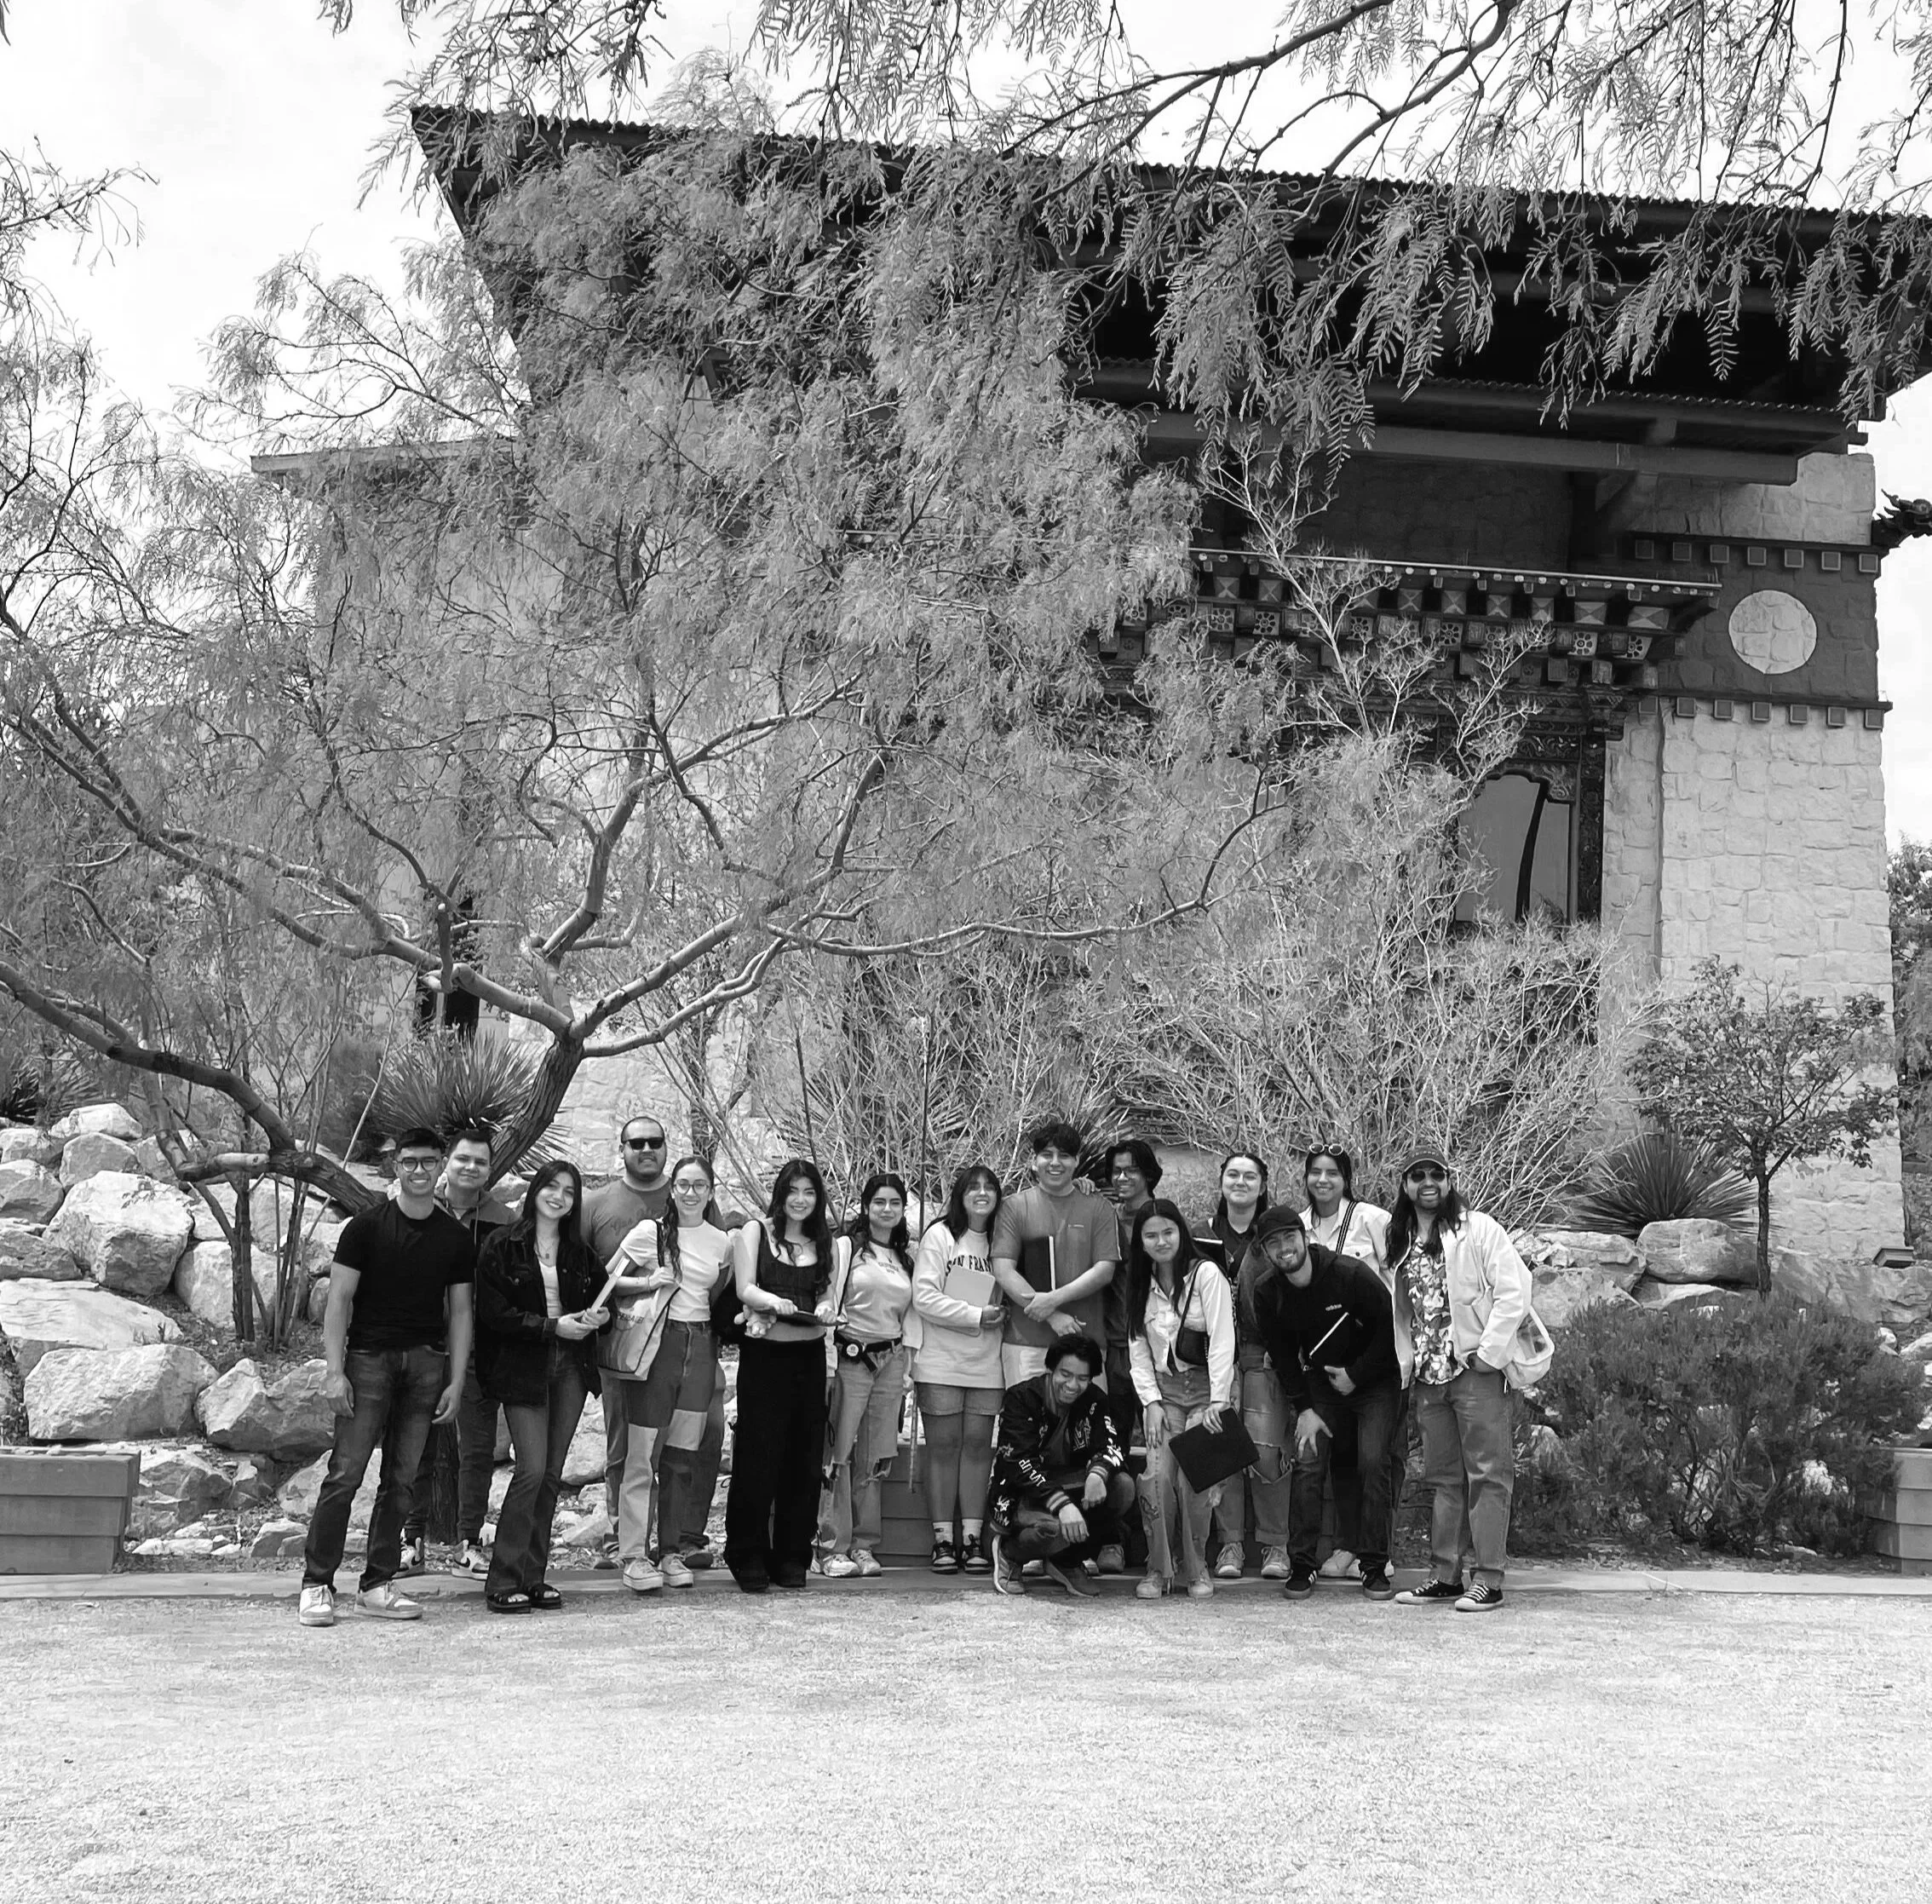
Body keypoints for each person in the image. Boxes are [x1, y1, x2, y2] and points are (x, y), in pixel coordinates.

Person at [298, 1126, 475, 1629]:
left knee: (402, 1480)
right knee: (345, 1474)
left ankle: (377, 1583)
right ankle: (316, 1583)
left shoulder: (454, 1237)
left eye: (428, 1162)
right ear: (396, 1166)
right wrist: (335, 1371)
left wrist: (456, 1379)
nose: (419, 1171)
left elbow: (461, 1311)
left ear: (441, 1166)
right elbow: (339, 1301)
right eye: (409, 1162)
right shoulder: (365, 1228)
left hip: (426, 1365)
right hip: (368, 1361)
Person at [1387, 1148, 1532, 1614]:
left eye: (1436, 1174)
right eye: (1417, 1175)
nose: (1428, 1182)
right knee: (1444, 1479)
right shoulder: (1400, 1239)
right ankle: (1445, 1575)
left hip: (1474, 1373)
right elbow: (1401, 1312)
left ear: (1449, 1181)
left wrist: (1488, 1355)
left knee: (1488, 1475)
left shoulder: (1479, 1229)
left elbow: (1514, 1291)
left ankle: (1488, 1578)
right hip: (1429, 1378)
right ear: (1405, 1185)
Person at [1239, 1205, 1401, 1602]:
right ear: (1265, 1251)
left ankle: (1374, 1564)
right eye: (1273, 1243)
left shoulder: (1349, 1274)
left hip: (1375, 1380)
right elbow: (1282, 1356)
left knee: (1373, 1461)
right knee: (1309, 1460)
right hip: (1321, 1384)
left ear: (1304, 1237)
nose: (1284, 1248)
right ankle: (1303, 1563)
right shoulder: (1267, 1291)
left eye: (1289, 1238)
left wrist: (1355, 1375)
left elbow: (1389, 1332)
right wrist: (1306, 1409)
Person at [473, 1161, 610, 1613]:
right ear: (535, 1191)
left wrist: (597, 1317)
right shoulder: (503, 1244)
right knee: (531, 1470)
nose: (559, 1197)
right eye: (552, 1187)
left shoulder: (579, 1252)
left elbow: (600, 1302)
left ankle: (533, 1576)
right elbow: (494, 1314)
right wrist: (552, 1327)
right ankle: (502, 1578)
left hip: (571, 1367)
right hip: (523, 1367)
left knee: (551, 1474)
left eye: (569, 1192)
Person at [601, 1154, 733, 1594]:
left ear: (710, 1192)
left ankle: (671, 1551)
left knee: (681, 1457)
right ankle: (633, 1554)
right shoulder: (650, 1233)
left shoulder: (722, 1243)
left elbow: (717, 1297)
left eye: (700, 1186)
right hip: (659, 1345)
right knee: (641, 1455)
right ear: (672, 1190)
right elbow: (607, 1281)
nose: (691, 1193)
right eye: (683, 1185)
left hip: (701, 1348)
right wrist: (647, 1283)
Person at [400, 1122, 516, 1578]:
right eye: (463, 1158)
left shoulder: (505, 1221)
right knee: (417, 1442)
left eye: (480, 1162)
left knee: (478, 1448)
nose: (471, 1167)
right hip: (423, 1343)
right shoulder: (418, 1207)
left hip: (481, 1349)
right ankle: (411, 1541)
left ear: (490, 1169)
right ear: (447, 1161)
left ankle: (469, 1543)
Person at [724, 1159, 837, 1593]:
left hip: (808, 1355)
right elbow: (745, 1288)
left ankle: (792, 1554)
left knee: (804, 1457)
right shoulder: (755, 1232)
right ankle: (746, 1553)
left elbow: (827, 1295)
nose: (800, 1200)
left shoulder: (825, 1242)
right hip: (764, 1356)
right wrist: (773, 1301)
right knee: (758, 1454)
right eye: (793, 1191)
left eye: (809, 1192)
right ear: (780, 1194)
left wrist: (824, 1308)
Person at [1127, 1199, 1238, 1600]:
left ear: (1181, 1233)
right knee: (1156, 1477)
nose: (1161, 1242)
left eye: (1168, 1232)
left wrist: (1220, 1400)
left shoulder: (1206, 1274)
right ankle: (1158, 1568)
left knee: (1194, 1478)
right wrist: (1150, 1403)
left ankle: (1196, 1566)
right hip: (1165, 1394)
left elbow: (1223, 1339)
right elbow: (1138, 1349)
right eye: (1151, 1235)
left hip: (1208, 1392)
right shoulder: (1139, 1283)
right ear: (1140, 1242)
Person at [1297, 1145, 1397, 1582]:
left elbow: (1397, 1282)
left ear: (1346, 1179)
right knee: (1339, 1459)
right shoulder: (1298, 1227)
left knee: (1376, 1461)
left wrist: (1373, 1364)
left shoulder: (1371, 1220)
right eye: (1315, 1172)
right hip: (1325, 1367)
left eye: (1333, 1173)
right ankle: (1345, 1545)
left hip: (1375, 1361)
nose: (1323, 1180)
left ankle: (1376, 1552)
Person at [581, 1116, 676, 1563]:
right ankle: (621, 1537)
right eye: (636, 1143)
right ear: (622, 1149)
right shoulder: (597, 1204)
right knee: (622, 1440)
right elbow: (588, 1277)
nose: (646, 1149)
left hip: (681, 1341)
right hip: (621, 1343)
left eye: (654, 1141)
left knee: (681, 1443)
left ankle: (677, 1540)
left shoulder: (687, 1196)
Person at [817, 1172, 917, 1579]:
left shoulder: (905, 1257)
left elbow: (910, 1315)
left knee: (876, 1456)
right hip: (851, 1355)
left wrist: (908, 1367)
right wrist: (828, 1363)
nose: (887, 1209)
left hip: (890, 1360)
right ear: (866, 1206)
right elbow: (828, 1301)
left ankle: (863, 1544)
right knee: (839, 1452)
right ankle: (831, 1545)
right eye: (879, 1202)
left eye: (895, 1203)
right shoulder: (847, 1248)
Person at [1199, 1149, 1291, 1582]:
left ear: (1262, 1185)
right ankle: (1230, 1543)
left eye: (1249, 1176)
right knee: (1223, 1450)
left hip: (1261, 1356)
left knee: (1266, 1451)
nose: (1240, 1182)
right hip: (1210, 1359)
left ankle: (1276, 1545)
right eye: (1233, 1174)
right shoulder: (1200, 1234)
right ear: (1221, 1182)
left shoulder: (1274, 1235)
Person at [911, 1165, 1006, 1573]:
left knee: (979, 1447)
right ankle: (943, 1540)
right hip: (941, 1361)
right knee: (944, 1447)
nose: (982, 1194)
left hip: (987, 1363)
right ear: (959, 1195)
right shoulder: (941, 1236)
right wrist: (975, 1315)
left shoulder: (1004, 1238)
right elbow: (923, 1297)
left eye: (989, 1188)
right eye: (973, 1187)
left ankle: (972, 1538)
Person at [989, 1333, 1133, 1596]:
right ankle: (1010, 1553)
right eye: (1065, 1374)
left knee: (1122, 1486)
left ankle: (1067, 1561)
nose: (1072, 1385)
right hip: (1023, 1493)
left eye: (1082, 1378)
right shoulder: (1021, 1398)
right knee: (1051, 1529)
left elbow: (1112, 1445)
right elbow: (1018, 1462)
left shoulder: (1095, 1400)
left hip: (1072, 1486)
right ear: (1051, 1369)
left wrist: (1098, 1473)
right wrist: (1062, 1504)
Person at [990, 1120, 1119, 1389]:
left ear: (1077, 1160)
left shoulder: (1100, 1208)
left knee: (1087, 1416)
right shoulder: (1014, 1207)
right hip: (1025, 1343)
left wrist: (1053, 1300)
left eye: (1065, 1155)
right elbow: (1003, 1270)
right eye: (1047, 1155)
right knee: (1026, 1415)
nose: (1055, 1163)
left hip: (1086, 1341)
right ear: (1034, 1161)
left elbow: (1104, 1270)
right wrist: (1052, 1315)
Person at [1096, 1137, 1160, 1574]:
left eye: (1131, 1170)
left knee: (1161, 1452)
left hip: (1158, 1352)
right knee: (1112, 1448)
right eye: (1116, 1171)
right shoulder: (1104, 1217)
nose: (1123, 1178)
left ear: (1148, 1174)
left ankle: (1162, 1544)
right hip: (1115, 1349)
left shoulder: (1164, 1219)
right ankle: (1113, 1541)